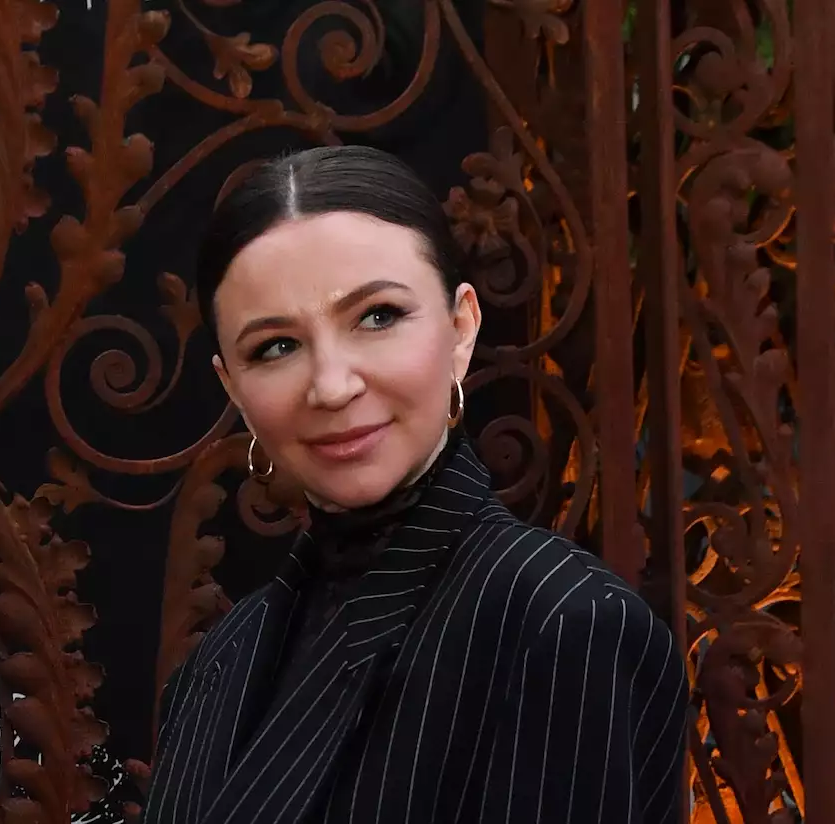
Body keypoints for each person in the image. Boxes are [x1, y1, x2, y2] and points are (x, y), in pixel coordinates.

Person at [142, 145, 689, 824]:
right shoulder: (223, 661)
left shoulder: (562, 623)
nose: (332, 386)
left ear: (461, 328)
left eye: (377, 317)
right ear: (234, 389)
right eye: (276, 347)